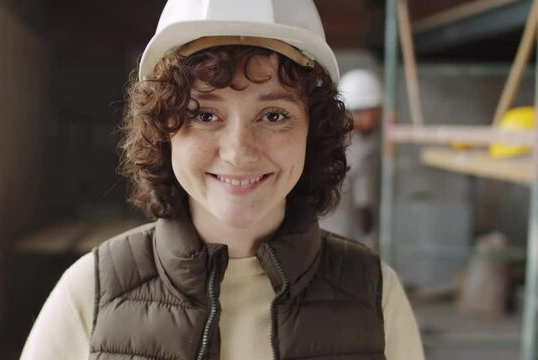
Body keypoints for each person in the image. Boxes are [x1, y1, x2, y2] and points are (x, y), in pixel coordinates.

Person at [21, 1, 425, 359]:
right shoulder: (88, 295)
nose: (238, 151)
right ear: (165, 130)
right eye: (205, 115)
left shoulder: (375, 295)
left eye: (273, 116)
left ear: (313, 133)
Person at [319, 69, 383, 251]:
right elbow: (365, 208)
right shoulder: (364, 149)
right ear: (366, 112)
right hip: (350, 239)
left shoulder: (330, 139)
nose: (378, 118)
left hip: (323, 234)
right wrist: (370, 245)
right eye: (376, 112)